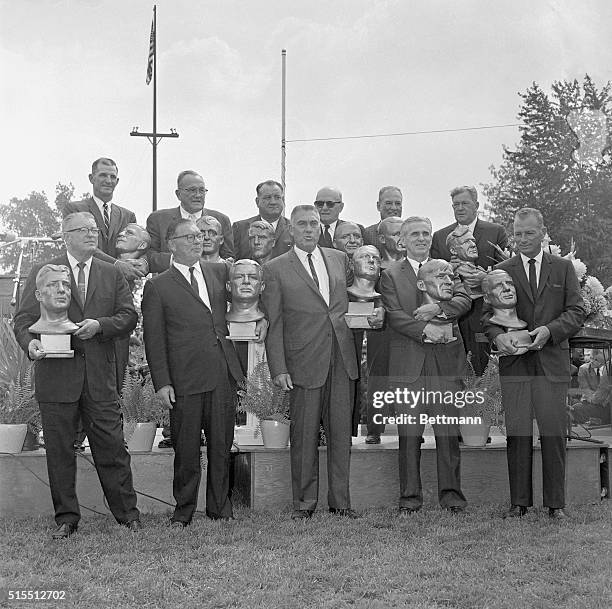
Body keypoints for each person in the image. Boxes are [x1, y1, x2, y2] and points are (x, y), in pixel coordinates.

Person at [13, 212, 141, 539]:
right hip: (56, 379)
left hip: (100, 378)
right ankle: (67, 518)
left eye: (93, 229)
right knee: (59, 452)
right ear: (65, 235)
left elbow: (128, 317)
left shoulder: (111, 273)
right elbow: (24, 320)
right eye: (82, 230)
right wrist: (31, 346)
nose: (91, 234)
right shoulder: (44, 271)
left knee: (112, 448)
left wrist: (101, 326)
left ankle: (127, 515)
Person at [141, 218, 253, 526]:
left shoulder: (219, 271)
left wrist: (262, 318)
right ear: (171, 244)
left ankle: (221, 508)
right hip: (184, 379)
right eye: (189, 236)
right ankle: (184, 511)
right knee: (187, 449)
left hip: (221, 373)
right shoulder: (157, 286)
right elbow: (154, 340)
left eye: (200, 236)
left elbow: (247, 298)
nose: (197, 240)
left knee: (221, 445)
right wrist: (162, 382)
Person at [483, 208, 585, 519]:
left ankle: (556, 504)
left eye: (529, 233)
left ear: (542, 232)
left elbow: (576, 311)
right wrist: (497, 336)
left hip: (552, 363)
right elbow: (487, 317)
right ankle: (519, 503)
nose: (523, 239)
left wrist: (549, 331)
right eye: (518, 233)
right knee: (517, 434)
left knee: (554, 434)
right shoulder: (502, 269)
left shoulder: (564, 268)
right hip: (516, 366)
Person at [262, 205, 359, 519]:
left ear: (321, 227)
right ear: (291, 229)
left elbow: (357, 298)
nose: (308, 229)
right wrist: (279, 368)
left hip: (341, 359)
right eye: (301, 224)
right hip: (303, 362)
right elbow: (274, 322)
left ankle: (341, 503)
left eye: (313, 224)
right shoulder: (276, 268)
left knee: (341, 434)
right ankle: (304, 504)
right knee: (303, 437)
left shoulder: (339, 259)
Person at [379, 218, 471, 514]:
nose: (421, 238)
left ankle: (452, 497)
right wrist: (424, 331)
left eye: (426, 233)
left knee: (448, 433)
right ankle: (409, 499)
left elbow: (464, 300)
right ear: (402, 241)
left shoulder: (446, 268)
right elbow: (393, 314)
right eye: (414, 234)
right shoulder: (390, 274)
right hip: (408, 366)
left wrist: (440, 309)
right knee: (409, 435)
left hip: (445, 363)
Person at [431, 186, 509, 375]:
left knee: (483, 376)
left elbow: (507, 271)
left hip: (484, 315)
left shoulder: (495, 232)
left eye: (465, 203)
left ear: (476, 205)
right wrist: (448, 266)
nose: (460, 208)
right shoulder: (440, 237)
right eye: (455, 205)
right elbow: (432, 273)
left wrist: (486, 278)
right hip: (452, 318)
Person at [63, 158, 144, 283]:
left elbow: (132, 249)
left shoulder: (128, 216)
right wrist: (116, 264)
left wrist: (139, 263)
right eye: (103, 175)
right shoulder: (75, 209)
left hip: (118, 284)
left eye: (112, 177)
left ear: (117, 181)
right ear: (91, 178)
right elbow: (82, 246)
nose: (108, 180)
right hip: (86, 279)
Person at [146, 170, 234, 273]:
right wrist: (179, 259)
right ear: (178, 194)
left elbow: (228, 256)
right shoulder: (158, 219)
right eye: (192, 190)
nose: (198, 195)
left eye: (202, 190)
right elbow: (149, 256)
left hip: (209, 284)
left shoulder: (221, 220)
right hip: (171, 282)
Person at [232, 180, 293, 261]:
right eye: (267, 198)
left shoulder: (293, 229)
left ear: (283, 200)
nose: (273, 202)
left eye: (277, 197)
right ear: (257, 202)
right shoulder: (240, 228)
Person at [570, 349, 611, 425]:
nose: (591, 361)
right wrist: (595, 400)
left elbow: (606, 389)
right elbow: (585, 391)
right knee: (576, 407)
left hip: (606, 403)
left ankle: (600, 420)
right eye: (591, 358)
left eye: (596, 359)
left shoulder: (608, 368)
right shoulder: (583, 369)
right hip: (593, 401)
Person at [363, 186, 403, 258]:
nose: (394, 208)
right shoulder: (368, 233)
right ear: (378, 206)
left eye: (397, 203)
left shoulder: (411, 232)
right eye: (388, 203)